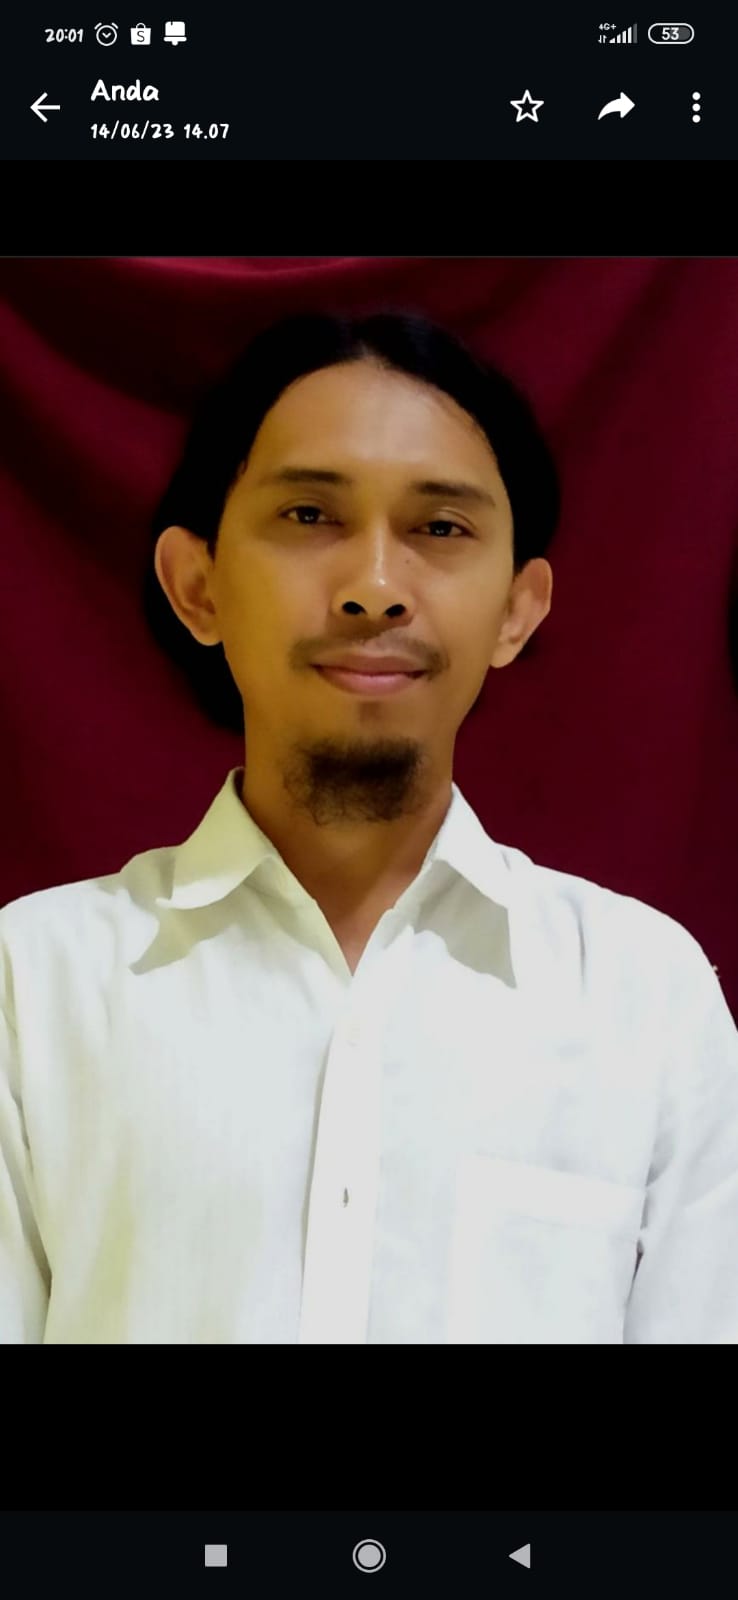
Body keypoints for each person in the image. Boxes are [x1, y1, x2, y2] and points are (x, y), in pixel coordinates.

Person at [1, 307, 736, 1344]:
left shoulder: (647, 999)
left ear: (518, 609)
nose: (376, 590)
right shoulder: (32, 987)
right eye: (309, 515)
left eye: (440, 528)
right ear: (197, 586)